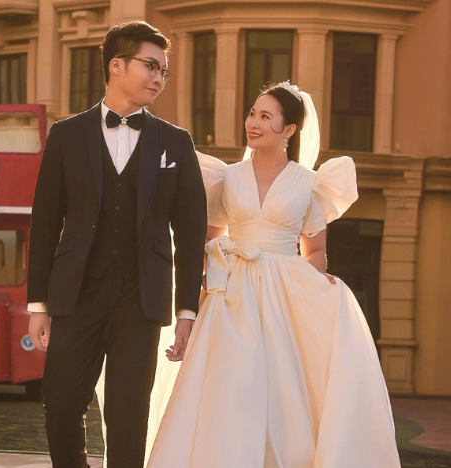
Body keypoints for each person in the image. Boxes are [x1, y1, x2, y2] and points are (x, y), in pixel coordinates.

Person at [146, 82, 401, 467]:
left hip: (285, 298)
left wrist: (315, 288)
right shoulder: (224, 177)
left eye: (266, 116)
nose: (253, 122)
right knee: (230, 390)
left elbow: (314, 250)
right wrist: (202, 297)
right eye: (252, 113)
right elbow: (209, 241)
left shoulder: (309, 183)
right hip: (231, 297)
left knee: (283, 394)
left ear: (289, 131)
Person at [27, 21, 207, 468]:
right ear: (116, 65)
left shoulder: (175, 142)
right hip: (75, 294)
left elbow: (191, 232)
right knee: (63, 405)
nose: (158, 78)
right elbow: (46, 222)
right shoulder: (66, 135)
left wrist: (187, 312)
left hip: (140, 299)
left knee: (129, 417)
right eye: (150, 66)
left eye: (163, 70)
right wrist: (37, 304)